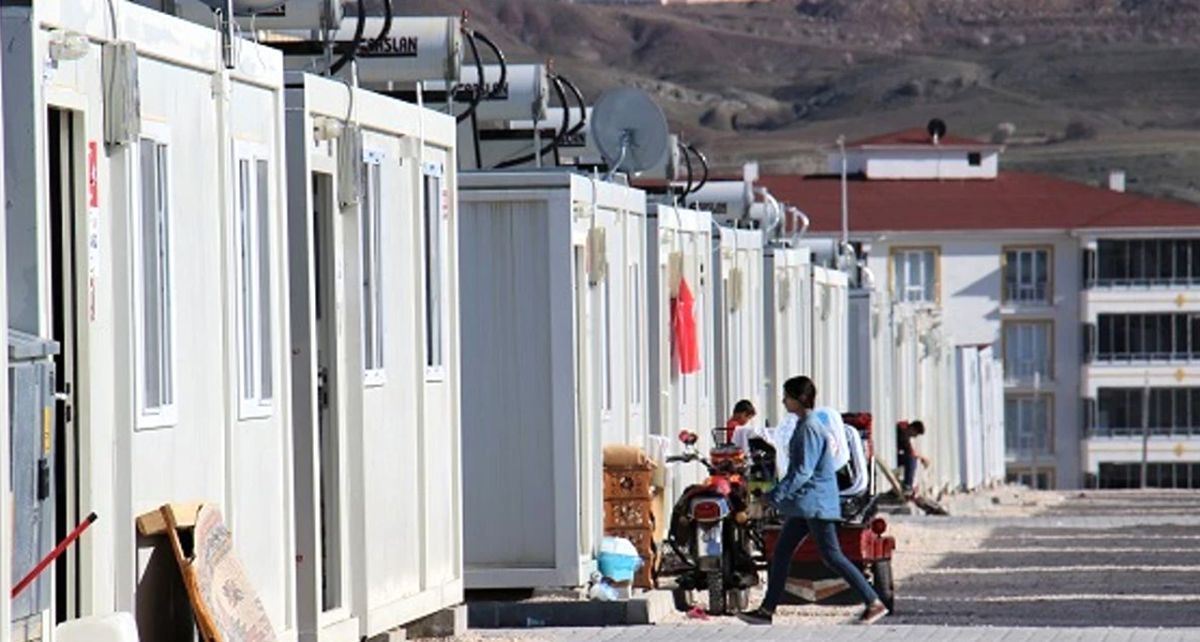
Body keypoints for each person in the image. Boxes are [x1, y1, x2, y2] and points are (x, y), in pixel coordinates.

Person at [739, 376, 888, 626]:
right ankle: (766, 611)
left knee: (832, 556)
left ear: (799, 399)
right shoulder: (806, 424)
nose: (783, 401)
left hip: (815, 504)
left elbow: (803, 472)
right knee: (782, 553)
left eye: (786, 396)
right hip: (806, 504)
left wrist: (773, 497)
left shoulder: (809, 428)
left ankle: (874, 602)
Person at [896, 420, 930, 493]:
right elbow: (909, 450)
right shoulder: (903, 432)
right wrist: (921, 458)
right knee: (911, 459)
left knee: (912, 458)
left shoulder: (904, 431)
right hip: (891, 458)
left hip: (894, 457)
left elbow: (909, 449)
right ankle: (908, 485)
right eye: (916, 434)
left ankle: (908, 484)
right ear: (913, 428)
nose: (915, 436)